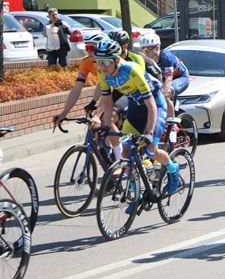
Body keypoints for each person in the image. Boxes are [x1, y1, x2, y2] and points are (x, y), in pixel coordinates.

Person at [90, 39, 182, 213]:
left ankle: (172, 169)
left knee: (150, 149)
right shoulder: (102, 73)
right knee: (126, 151)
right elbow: (108, 102)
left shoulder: (132, 70)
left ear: (117, 60)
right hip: (135, 107)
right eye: (99, 61)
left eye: (106, 62)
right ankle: (136, 193)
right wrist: (106, 125)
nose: (102, 66)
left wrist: (148, 133)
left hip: (155, 105)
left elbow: (151, 106)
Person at [52, 32, 125, 164]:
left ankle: (120, 158)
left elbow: (109, 92)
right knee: (97, 126)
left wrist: (97, 114)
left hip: (124, 93)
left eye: (92, 48)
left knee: (108, 118)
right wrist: (64, 113)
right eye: (87, 48)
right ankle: (106, 152)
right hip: (108, 91)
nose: (89, 51)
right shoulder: (86, 62)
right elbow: (77, 88)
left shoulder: (109, 62)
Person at [140, 33, 190, 117]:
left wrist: (162, 94)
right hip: (163, 78)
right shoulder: (145, 60)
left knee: (164, 95)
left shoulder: (166, 58)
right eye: (143, 50)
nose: (146, 54)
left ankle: (172, 123)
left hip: (180, 77)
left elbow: (168, 79)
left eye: (148, 50)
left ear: (157, 48)